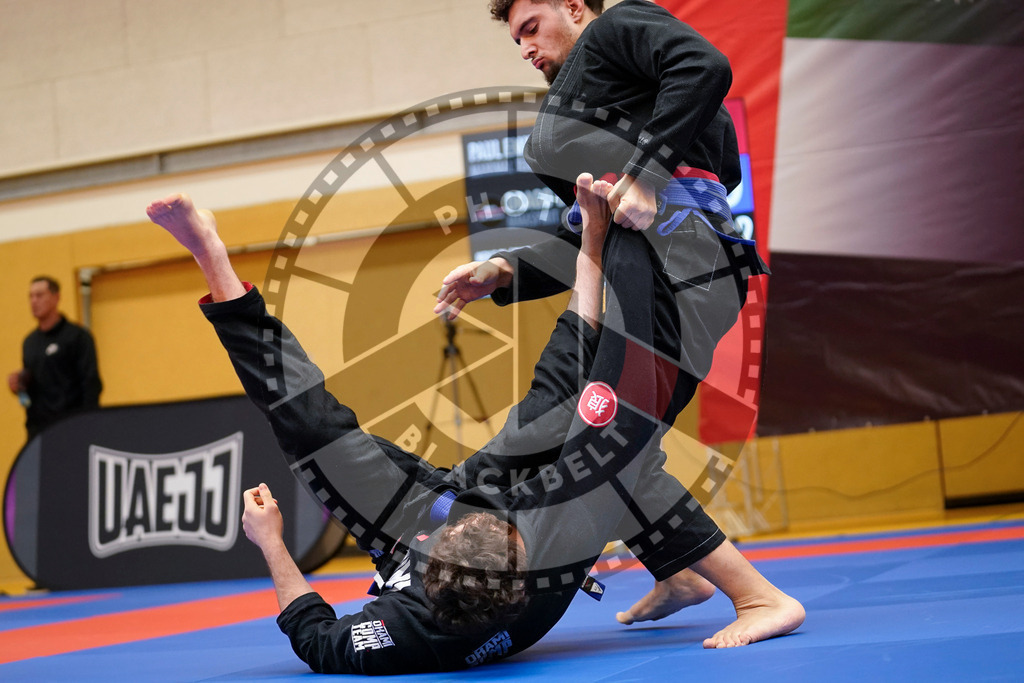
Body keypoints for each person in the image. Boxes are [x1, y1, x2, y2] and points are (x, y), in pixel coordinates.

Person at [146, 180, 800, 675]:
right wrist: (596, 246)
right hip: (498, 522)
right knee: (600, 430)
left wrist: (270, 542)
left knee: (308, 428)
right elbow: (579, 376)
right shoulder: (547, 539)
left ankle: (211, 255)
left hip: (406, 521)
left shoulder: (399, 630)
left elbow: (317, 641)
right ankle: (746, 590)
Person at [434, 0, 780, 636]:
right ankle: (677, 571)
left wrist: (646, 174)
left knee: (606, 440)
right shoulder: (601, 103)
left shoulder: (618, 28)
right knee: (600, 441)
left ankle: (761, 600)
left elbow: (703, 65)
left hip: (673, 269)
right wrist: (507, 270)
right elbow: (591, 227)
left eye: (531, 28)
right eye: (515, 41)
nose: (525, 49)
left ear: (574, 7)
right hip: (642, 269)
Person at [8, 276, 103, 439]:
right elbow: (32, 389)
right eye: (30, 296)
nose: (34, 301)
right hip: (38, 431)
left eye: (39, 295)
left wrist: (87, 424)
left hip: (71, 427)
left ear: (56, 297)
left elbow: (91, 383)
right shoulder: (29, 342)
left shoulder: (77, 337)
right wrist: (19, 386)